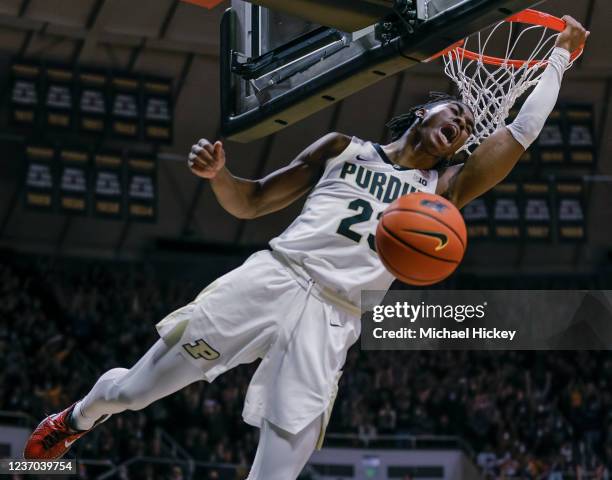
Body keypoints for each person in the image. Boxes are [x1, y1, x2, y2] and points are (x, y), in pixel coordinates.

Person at [24, 16, 588, 480]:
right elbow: (251, 203)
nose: (463, 125)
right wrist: (221, 176)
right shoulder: (343, 149)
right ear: (423, 112)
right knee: (134, 392)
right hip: (273, 278)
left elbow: (520, 133)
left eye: (467, 127)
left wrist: (559, 57)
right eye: (455, 113)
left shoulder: (444, 189)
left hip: (334, 315)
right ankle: (76, 418)